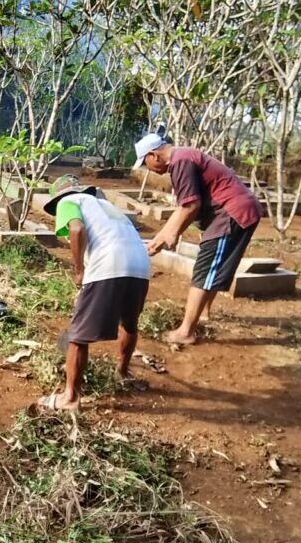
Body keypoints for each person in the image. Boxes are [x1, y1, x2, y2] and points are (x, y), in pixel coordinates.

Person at [36, 175, 151, 412]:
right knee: (129, 322)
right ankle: (122, 372)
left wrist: (80, 272)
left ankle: (70, 398)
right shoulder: (107, 206)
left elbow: (77, 229)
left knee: (78, 335)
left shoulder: (68, 203)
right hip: (141, 264)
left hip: (108, 264)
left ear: (58, 198)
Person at [135, 133, 262, 345]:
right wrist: (170, 232)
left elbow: (190, 206)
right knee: (213, 266)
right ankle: (204, 313)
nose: (148, 169)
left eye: (145, 163)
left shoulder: (180, 161)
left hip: (231, 213)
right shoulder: (184, 156)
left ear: (153, 155)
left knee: (205, 269)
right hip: (233, 212)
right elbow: (188, 205)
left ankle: (185, 332)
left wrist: (164, 237)